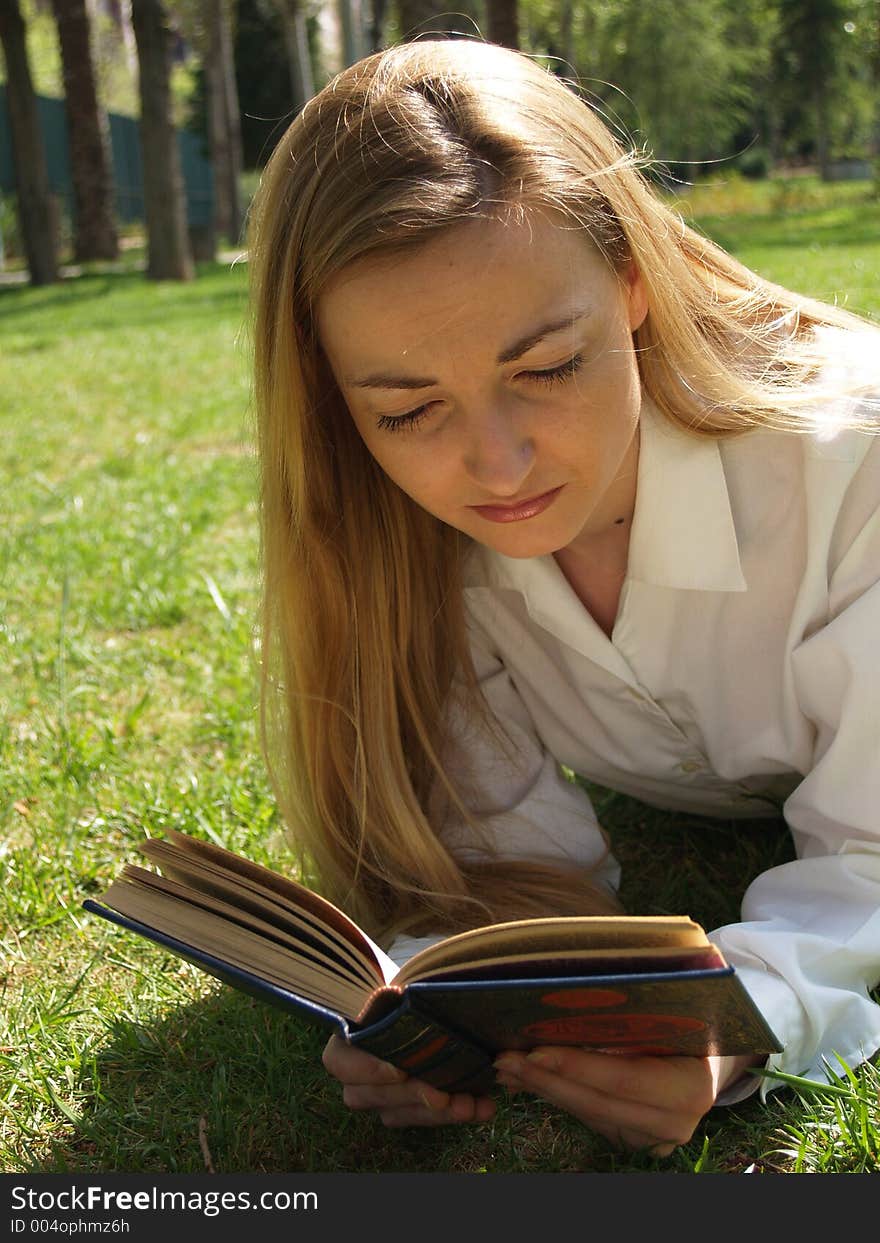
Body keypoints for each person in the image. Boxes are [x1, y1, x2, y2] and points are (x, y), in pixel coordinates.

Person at [247, 37, 880, 1155]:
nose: (496, 468)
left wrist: (740, 1024)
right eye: (406, 409)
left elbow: (869, 855)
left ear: (634, 280)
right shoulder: (396, 540)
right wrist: (429, 1005)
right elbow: (497, 860)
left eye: (543, 367)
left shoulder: (852, 469)